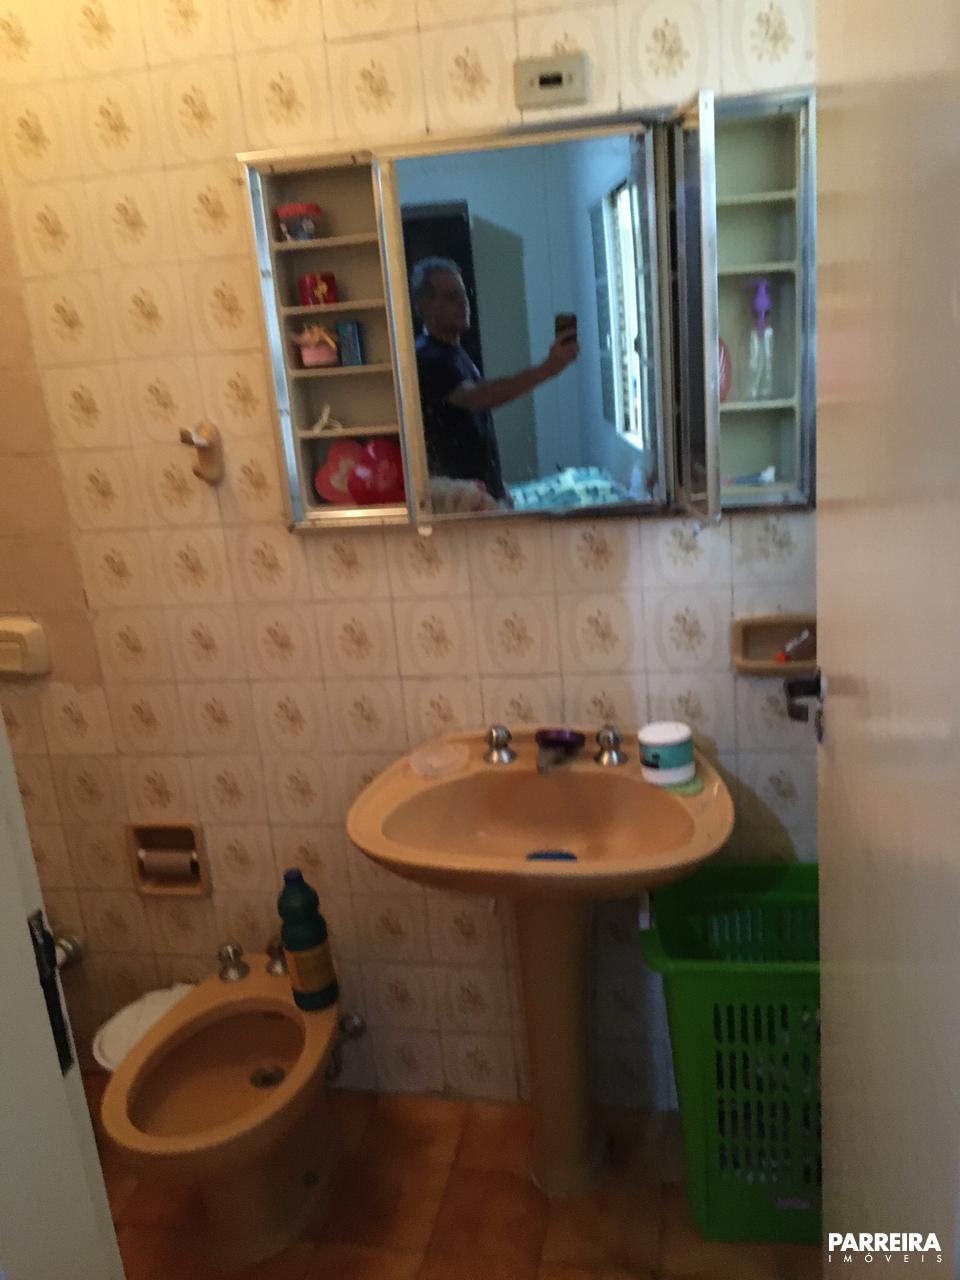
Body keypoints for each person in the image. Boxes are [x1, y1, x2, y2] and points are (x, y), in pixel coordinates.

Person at [410, 256, 579, 503]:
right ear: (425, 306)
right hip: (460, 503)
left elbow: (474, 428)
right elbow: (478, 397)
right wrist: (549, 368)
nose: (463, 302)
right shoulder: (427, 356)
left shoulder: (455, 352)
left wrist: (498, 486)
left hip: (479, 495)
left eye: (463, 293)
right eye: (451, 296)